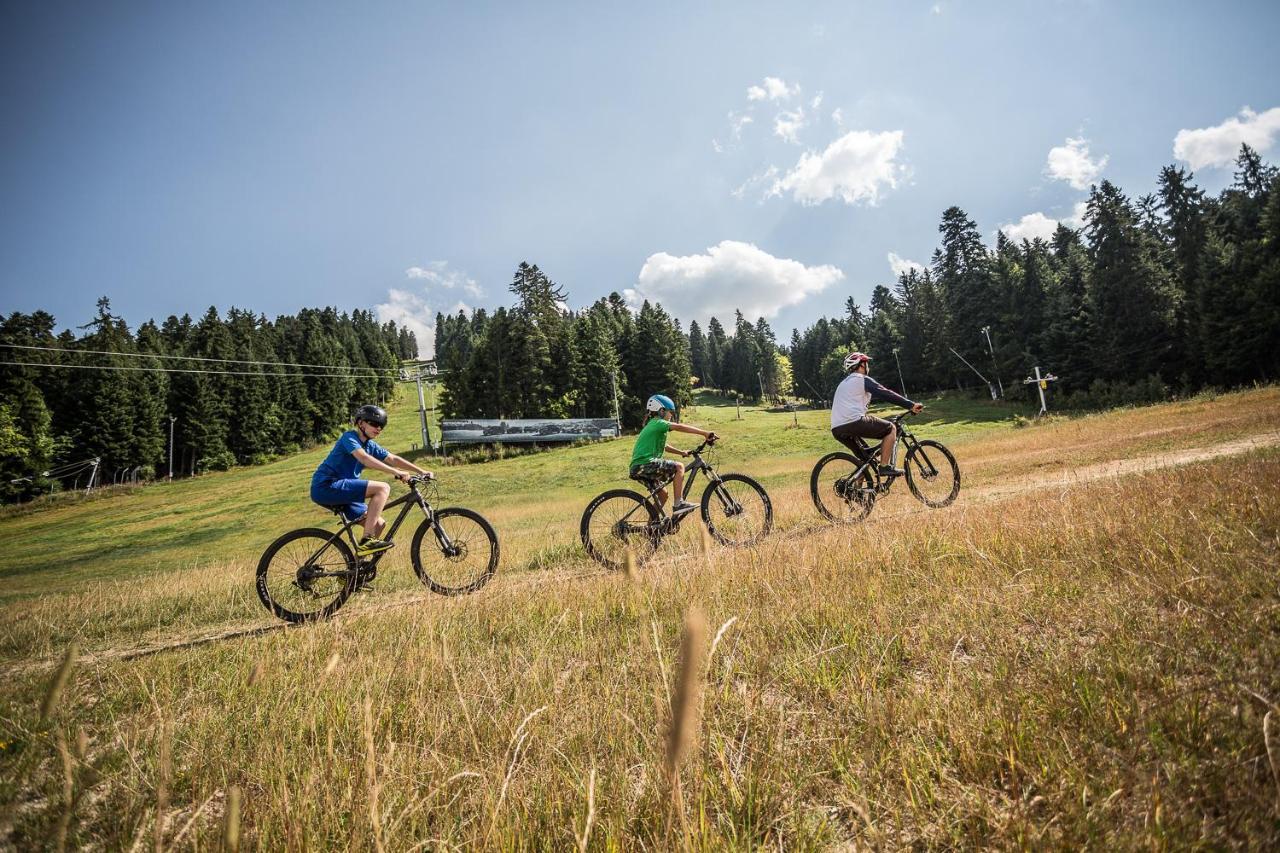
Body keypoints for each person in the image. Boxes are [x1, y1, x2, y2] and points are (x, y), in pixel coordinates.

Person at [310, 404, 432, 555]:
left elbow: (392, 458)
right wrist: (396, 472)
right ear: (361, 423)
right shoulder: (349, 437)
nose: (378, 428)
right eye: (374, 424)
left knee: (378, 524)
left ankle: (354, 570)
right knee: (383, 488)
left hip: (343, 491)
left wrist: (421, 471)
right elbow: (364, 459)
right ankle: (367, 540)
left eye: (381, 426)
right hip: (326, 485)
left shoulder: (370, 445)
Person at [831, 352, 924, 476]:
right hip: (854, 421)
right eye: (866, 363)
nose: (868, 366)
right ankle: (884, 467)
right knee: (891, 428)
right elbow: (886, 393)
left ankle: (857, 491)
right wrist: (910, 405)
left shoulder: (842, 384)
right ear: (862, 365)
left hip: (837, 428)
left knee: (865, 460)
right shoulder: (862, 379)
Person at [629, 394, 717, 519]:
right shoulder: (658, 422)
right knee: (679, 467)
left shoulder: (653, 426)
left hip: (639, 467)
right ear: (661, 411)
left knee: (663, 495)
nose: (671, 416)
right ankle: (678, 505)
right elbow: (679, 427)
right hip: (644, 464)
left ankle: (651, 529)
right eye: (670, 412)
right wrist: (704, 433)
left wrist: (681, 452)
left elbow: (664, 446)